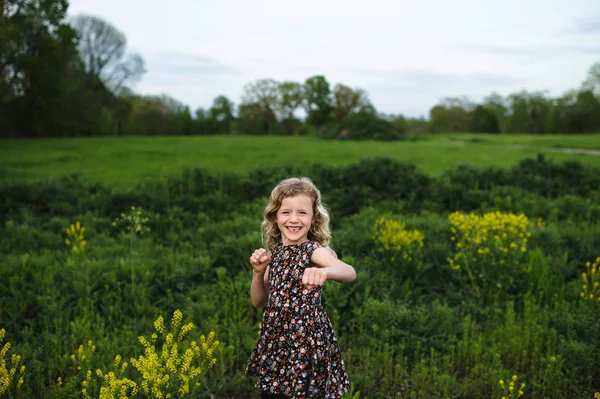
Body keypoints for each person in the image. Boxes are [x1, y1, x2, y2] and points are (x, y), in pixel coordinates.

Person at [245, 177, 357, 399]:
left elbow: (348, 272)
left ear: (313, 218)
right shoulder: (275, 255)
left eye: (302, 213)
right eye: (286, 212)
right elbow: (258, 301)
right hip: (276, 342)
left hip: (306, 344)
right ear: (275, 217)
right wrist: (258, 273)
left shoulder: (313, 251)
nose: (293, 219)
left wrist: (324, 272)